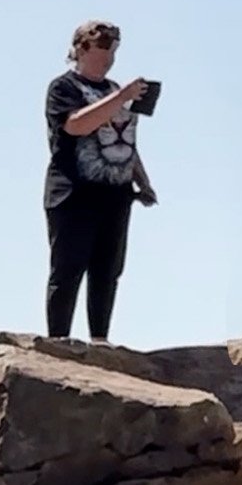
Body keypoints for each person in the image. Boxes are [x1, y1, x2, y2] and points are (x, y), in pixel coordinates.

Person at [43, 19, 158, 344]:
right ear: (81, 48)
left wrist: (142, 180)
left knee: (107, 271)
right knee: (68, 269)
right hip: (74, 193)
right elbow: (76, 125)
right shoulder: (63, 87)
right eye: (103, 46)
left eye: (115, 47)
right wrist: (121, 97)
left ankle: (100, 340)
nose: (110, 55)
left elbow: (127, 143)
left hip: (116, 193)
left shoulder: (114, 90)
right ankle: (58, 341)